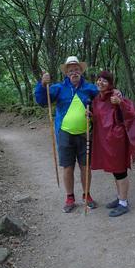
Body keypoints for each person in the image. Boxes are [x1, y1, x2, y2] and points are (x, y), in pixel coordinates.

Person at [35, 56, 98, 213]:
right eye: (70, 70)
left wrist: (94, 113)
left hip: (85, 134)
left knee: (86, 166)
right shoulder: (58, 88)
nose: (74, 72)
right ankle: (70, 197)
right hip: (64, 134)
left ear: (81, 71)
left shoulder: (90, 89)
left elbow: (102, 104)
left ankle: (86, 195)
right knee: (68, 167)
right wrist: (43, 84)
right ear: (67, 73)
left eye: (76, 69)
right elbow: (42, 101)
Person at [91, 71, 135, 217]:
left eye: (104, 80)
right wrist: (90, 116)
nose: (100, 82)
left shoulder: (115, 96)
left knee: (120, 170)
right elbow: (100, 118)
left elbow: (131, 114)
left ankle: (123, 203)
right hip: (105, 141)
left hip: (117, 140)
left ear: (110, 83)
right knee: (114, 170)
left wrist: (121, 103)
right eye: (99, 80)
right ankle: (120, 198)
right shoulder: (97, 99)